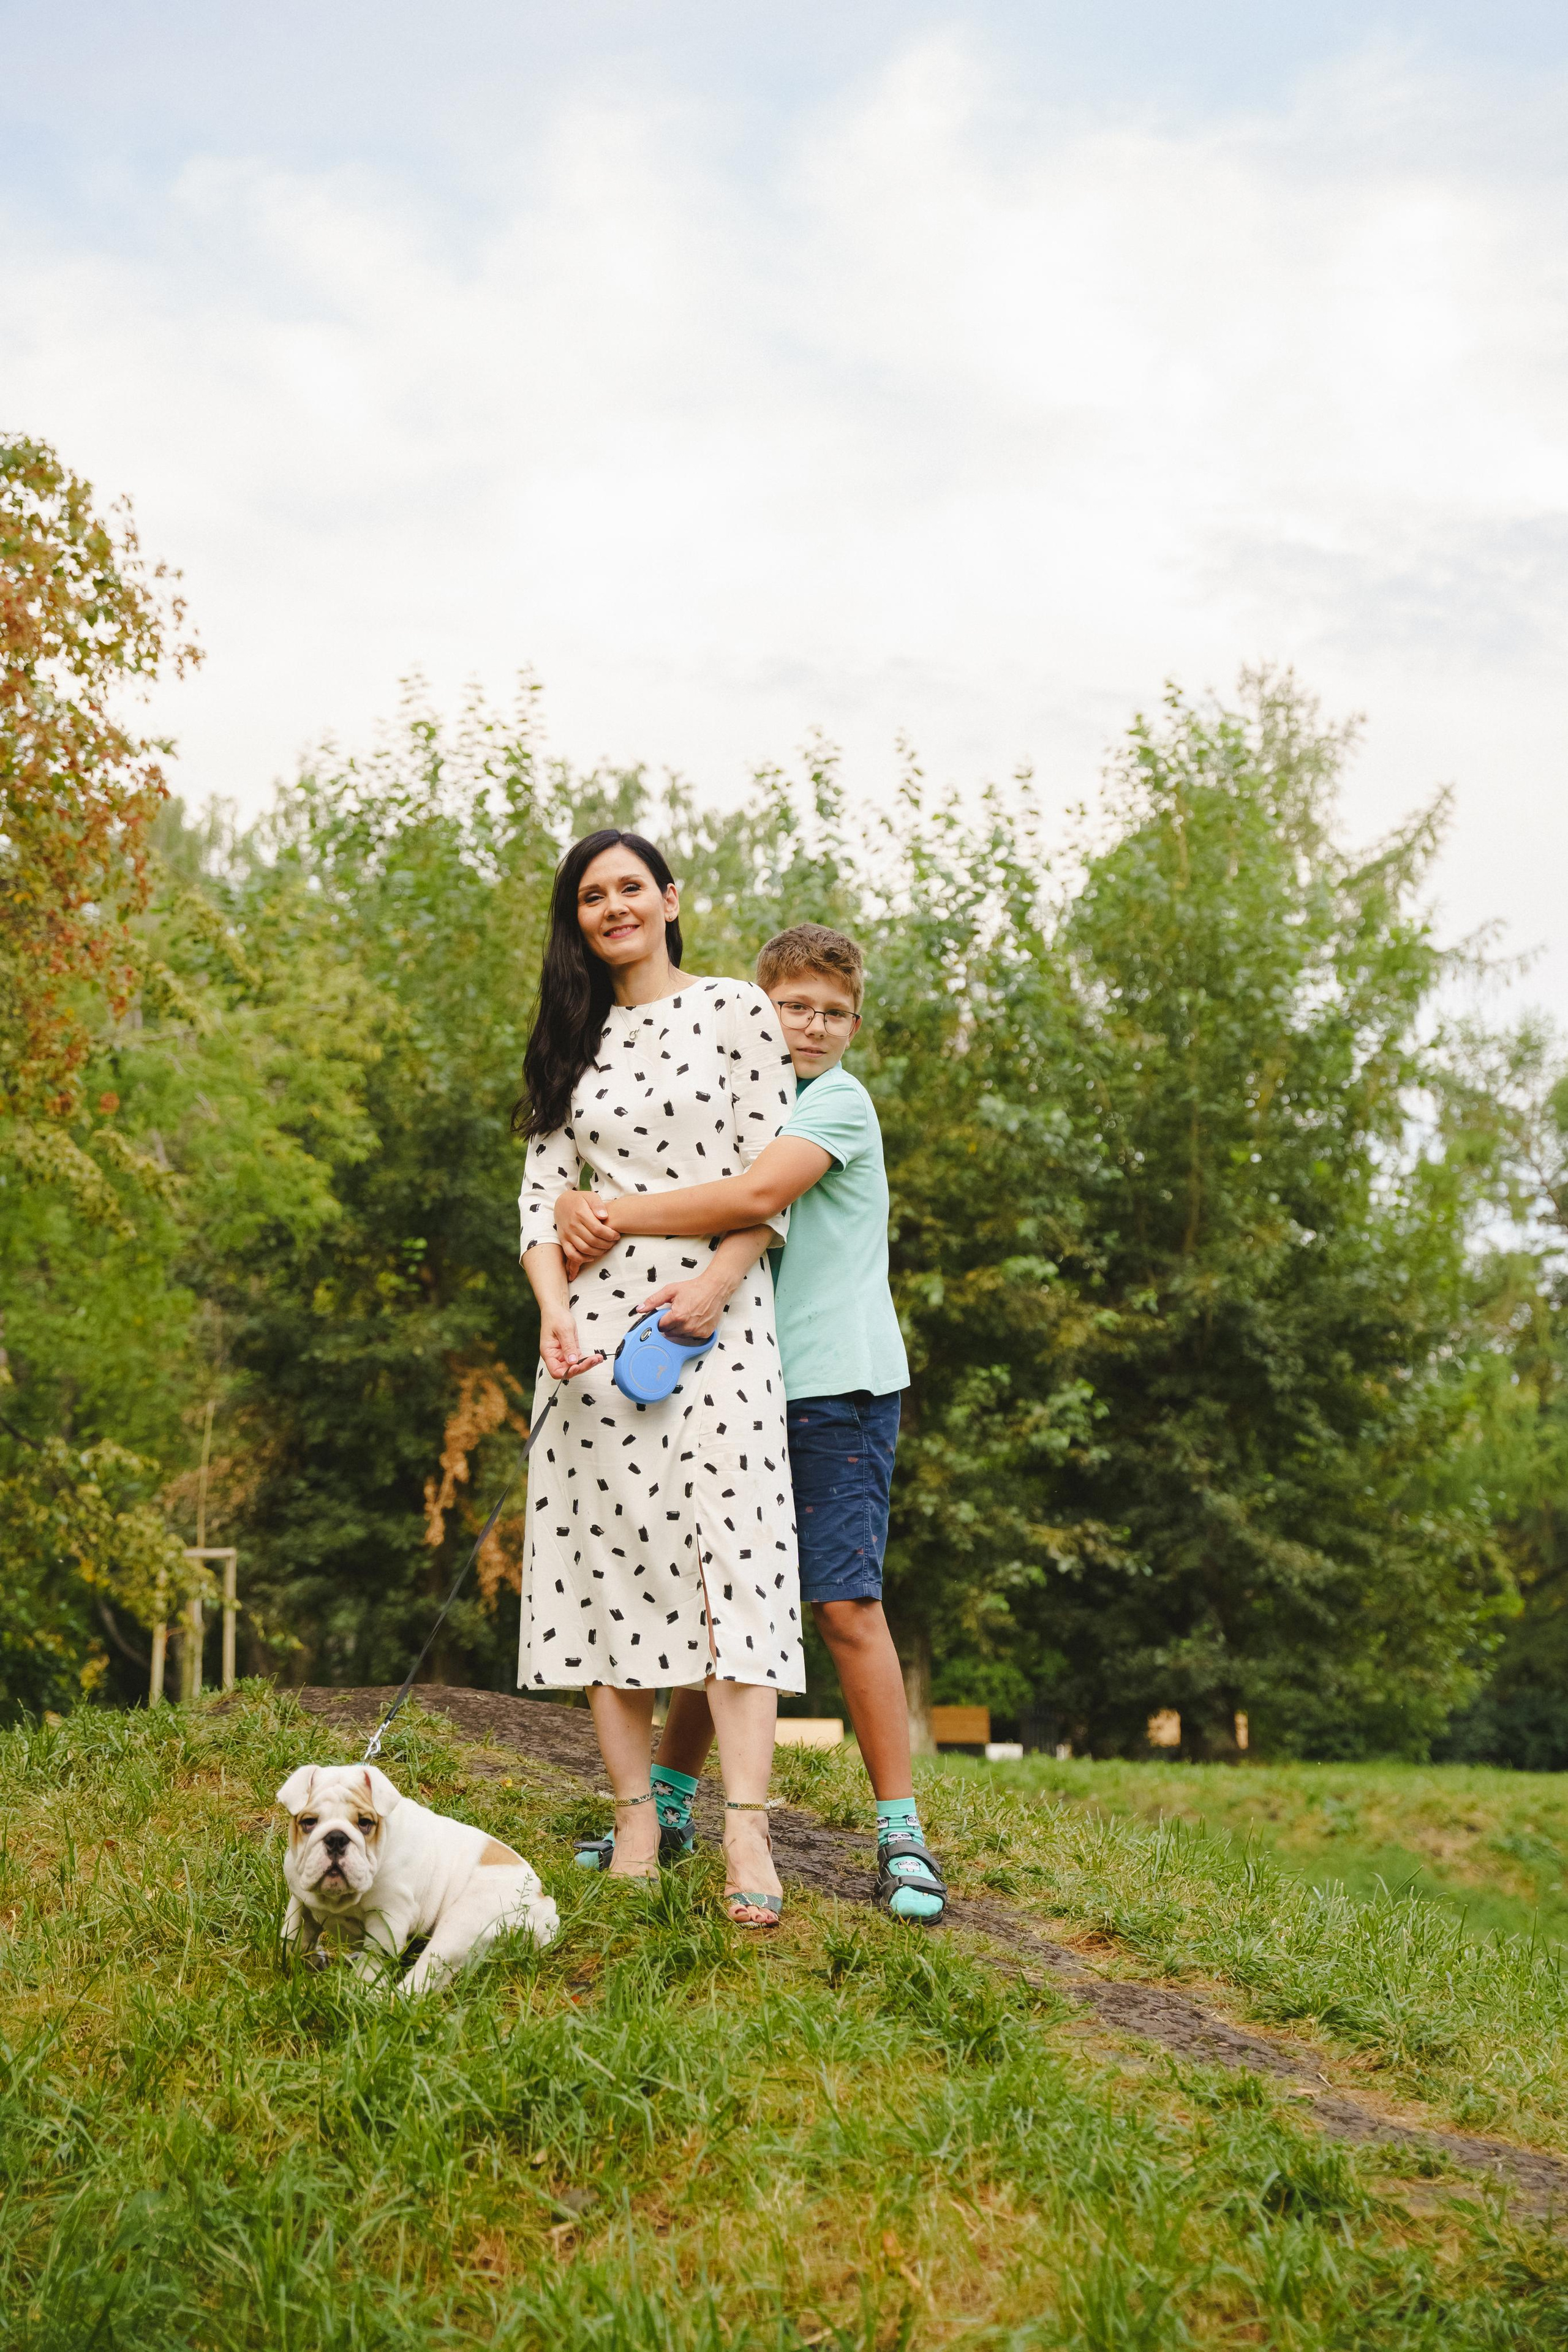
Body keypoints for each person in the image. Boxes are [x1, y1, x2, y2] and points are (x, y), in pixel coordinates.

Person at [556, 921, 946, 1922]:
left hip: (833, 1386)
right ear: (755, 1007)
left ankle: (901, 1835)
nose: (812, 1028)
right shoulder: (739, 1095)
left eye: (834, 1013)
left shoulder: (835, 1104)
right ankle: (675, 1808)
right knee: (725, 1592)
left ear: (856, 1026)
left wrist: (601, 1210)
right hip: (741, 1383)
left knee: (843, 1605)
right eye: (794, 1007)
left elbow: (755, 1196)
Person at [514, 828, 802, 1928]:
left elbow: (767, 1182)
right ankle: (636, 1818)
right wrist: (550, 1313)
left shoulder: (735, 1009)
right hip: (590, 1338)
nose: (613, 907)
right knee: (609, 1561)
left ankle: (745, 1832)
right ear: (576, 919)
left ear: (671, 898)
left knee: (736, 1557)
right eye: (592, 896)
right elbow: (542, 1201)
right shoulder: (567, 1037)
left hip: (713, 1323)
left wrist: (718, 1285)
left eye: (631, 887)